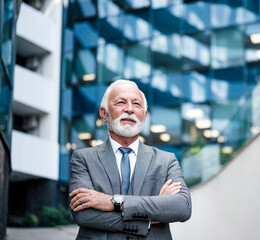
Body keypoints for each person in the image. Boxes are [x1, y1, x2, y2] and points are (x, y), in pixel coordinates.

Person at [69, 80, 191, 240]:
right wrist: (149, 218)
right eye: (120, 102)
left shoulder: (166, 160)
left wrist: (113, 202)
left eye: (136, 104)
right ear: (104, 114)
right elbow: (84, 215)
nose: (129, 109)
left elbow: (182, 207)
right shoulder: (83, 158)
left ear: (145, 116)